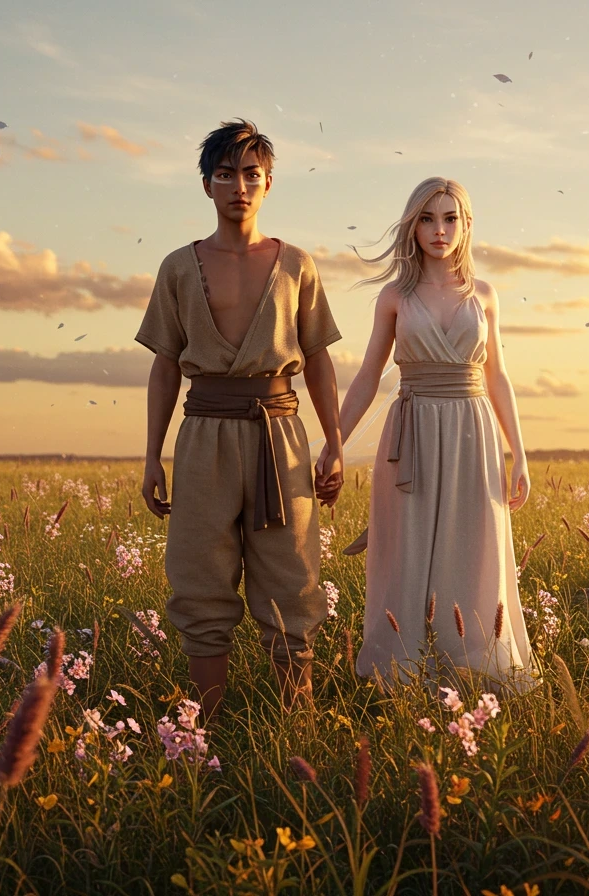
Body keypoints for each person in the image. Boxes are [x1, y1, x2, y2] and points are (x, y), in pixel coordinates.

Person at [137, 118, 345, 724]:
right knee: (199, 574)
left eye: (251, 174)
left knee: (293, 573)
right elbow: (165, 365)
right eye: (225, 175)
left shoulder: (298, 264)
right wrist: (151, 456)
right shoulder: (178, 267)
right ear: (206, 185)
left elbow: (318, 359)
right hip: (203, 435)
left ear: (268, 183)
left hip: (281, 437)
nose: (239, 187)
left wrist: (334, 443)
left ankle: (297, 726)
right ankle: (204, 729)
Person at [323, 176, 541, 696]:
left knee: (474, 552)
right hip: (412, 438)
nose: (439, 230)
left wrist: (519, 454)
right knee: (407, 554)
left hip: (474, 435)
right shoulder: (394, 297)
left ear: (466, 225)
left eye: (449, 218)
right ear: (412, 226)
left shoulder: (484, 295)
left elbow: (498, 376)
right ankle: (401, 676)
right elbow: (368, 376)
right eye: (427, 219)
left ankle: (476, 672)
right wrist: (334, 444)